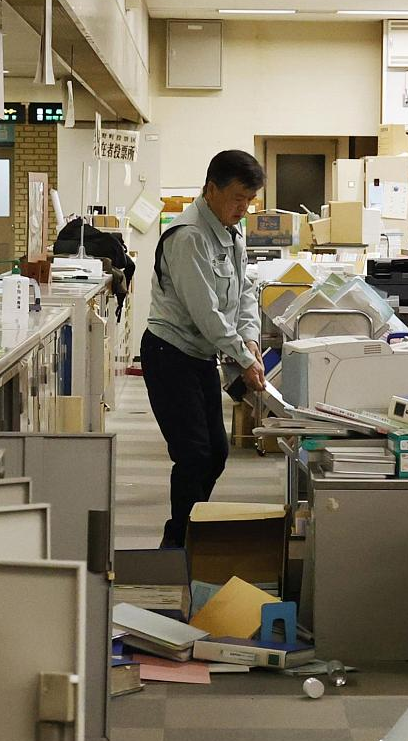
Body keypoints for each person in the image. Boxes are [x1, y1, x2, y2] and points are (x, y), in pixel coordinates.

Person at [143, 149, 268, 549]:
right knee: (193, 454)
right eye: (237, 198)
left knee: (216, 452)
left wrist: (250, 339)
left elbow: (245, 292)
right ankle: (178, 543)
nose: (243, 209)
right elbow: (206, 313)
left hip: (200, 356)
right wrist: (244, 359)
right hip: (170, 353)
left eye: (249, 200)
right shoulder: (189, 236)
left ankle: (191, 531)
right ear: (211, 189)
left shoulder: (231, 231)